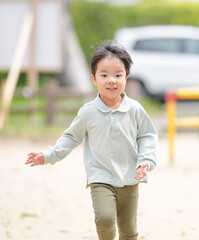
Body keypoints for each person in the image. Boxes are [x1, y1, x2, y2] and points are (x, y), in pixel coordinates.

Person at [25, 41, 158, 240]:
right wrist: (48, 155)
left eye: (118, 75)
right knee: (104, 218)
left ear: (126, 77)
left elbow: (147, 135)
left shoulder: (135, 109)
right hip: (100, 176)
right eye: (104, 75)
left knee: (129, 230)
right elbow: (70, 138)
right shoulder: (88, 112)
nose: (111, 80)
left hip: (130, 177)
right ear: (94, 79)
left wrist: (146, 161)